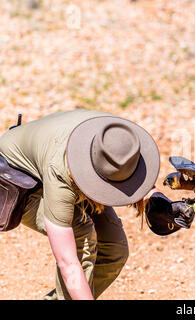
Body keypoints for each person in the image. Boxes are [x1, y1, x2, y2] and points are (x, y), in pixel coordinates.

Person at [0, 109, 179, 300]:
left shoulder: (119, 138)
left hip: (74, 165)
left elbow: (129, 169)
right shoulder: (61, 173)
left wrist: (157, 199)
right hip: (17, 177)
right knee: (80, 234)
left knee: (114, 248)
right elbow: (67, 262)